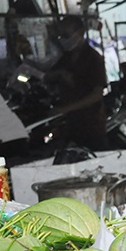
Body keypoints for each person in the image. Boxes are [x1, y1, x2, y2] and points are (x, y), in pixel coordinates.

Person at [46, 15, 108, 151]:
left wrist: (66, 109)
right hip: (71, 124)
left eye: (66, 35)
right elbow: (48, 75)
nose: (63, 39)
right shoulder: (66, 57)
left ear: (79, 32)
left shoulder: (93, 58)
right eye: (60, 36)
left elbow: (97, 95)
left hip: (91, 124)